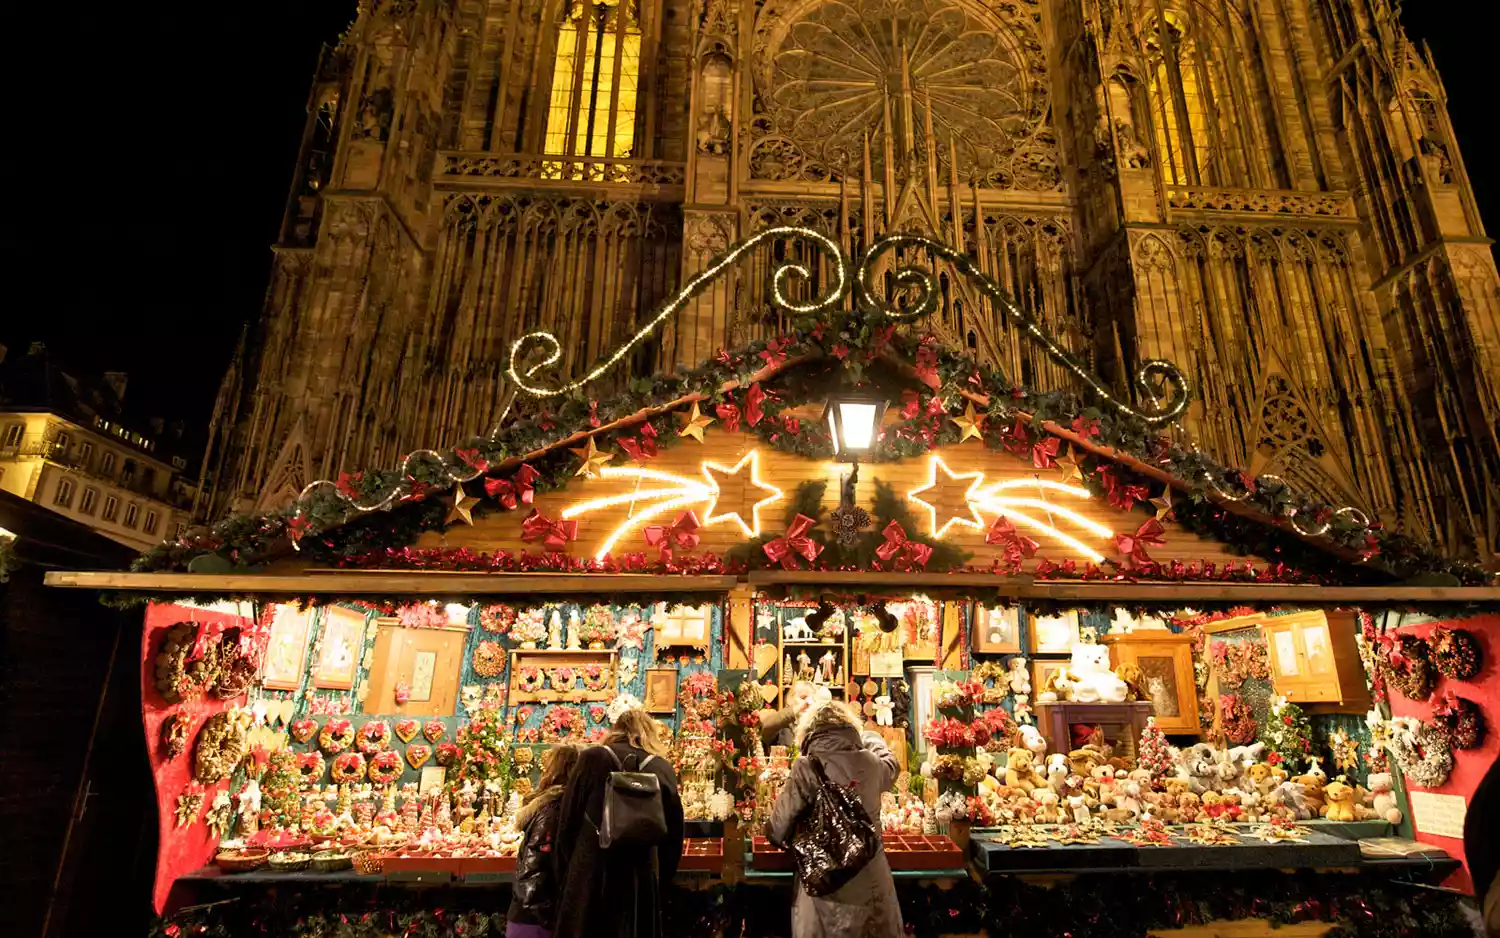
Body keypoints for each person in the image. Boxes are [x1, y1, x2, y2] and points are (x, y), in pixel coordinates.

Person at [767, 700, 902, 938]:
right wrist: (871, 738)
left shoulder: (806, 767)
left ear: (809, 731)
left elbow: (777, 830)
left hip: (824, 891)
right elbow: (892, 766)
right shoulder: (871, 763)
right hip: (872, 888)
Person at [553, 708, 685, 938]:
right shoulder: (661, 768)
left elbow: (567, 822)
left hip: (592, 872)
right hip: (639, 877)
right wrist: (659, 880)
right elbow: (673, 836)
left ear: (615, 731)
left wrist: (570, 870)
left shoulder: (592, 758)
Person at [507, 743, 582, 938]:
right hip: (539, 918)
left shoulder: (556, 806)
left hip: (534, 914)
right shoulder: (556, 809)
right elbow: (540, 864)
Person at [760, 681, 831, 748]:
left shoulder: (816, 726)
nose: (809, 702)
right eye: (803, 698)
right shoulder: (782, 724)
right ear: (790, 699)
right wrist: (798, 708)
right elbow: (767, 726)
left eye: (813, 699)